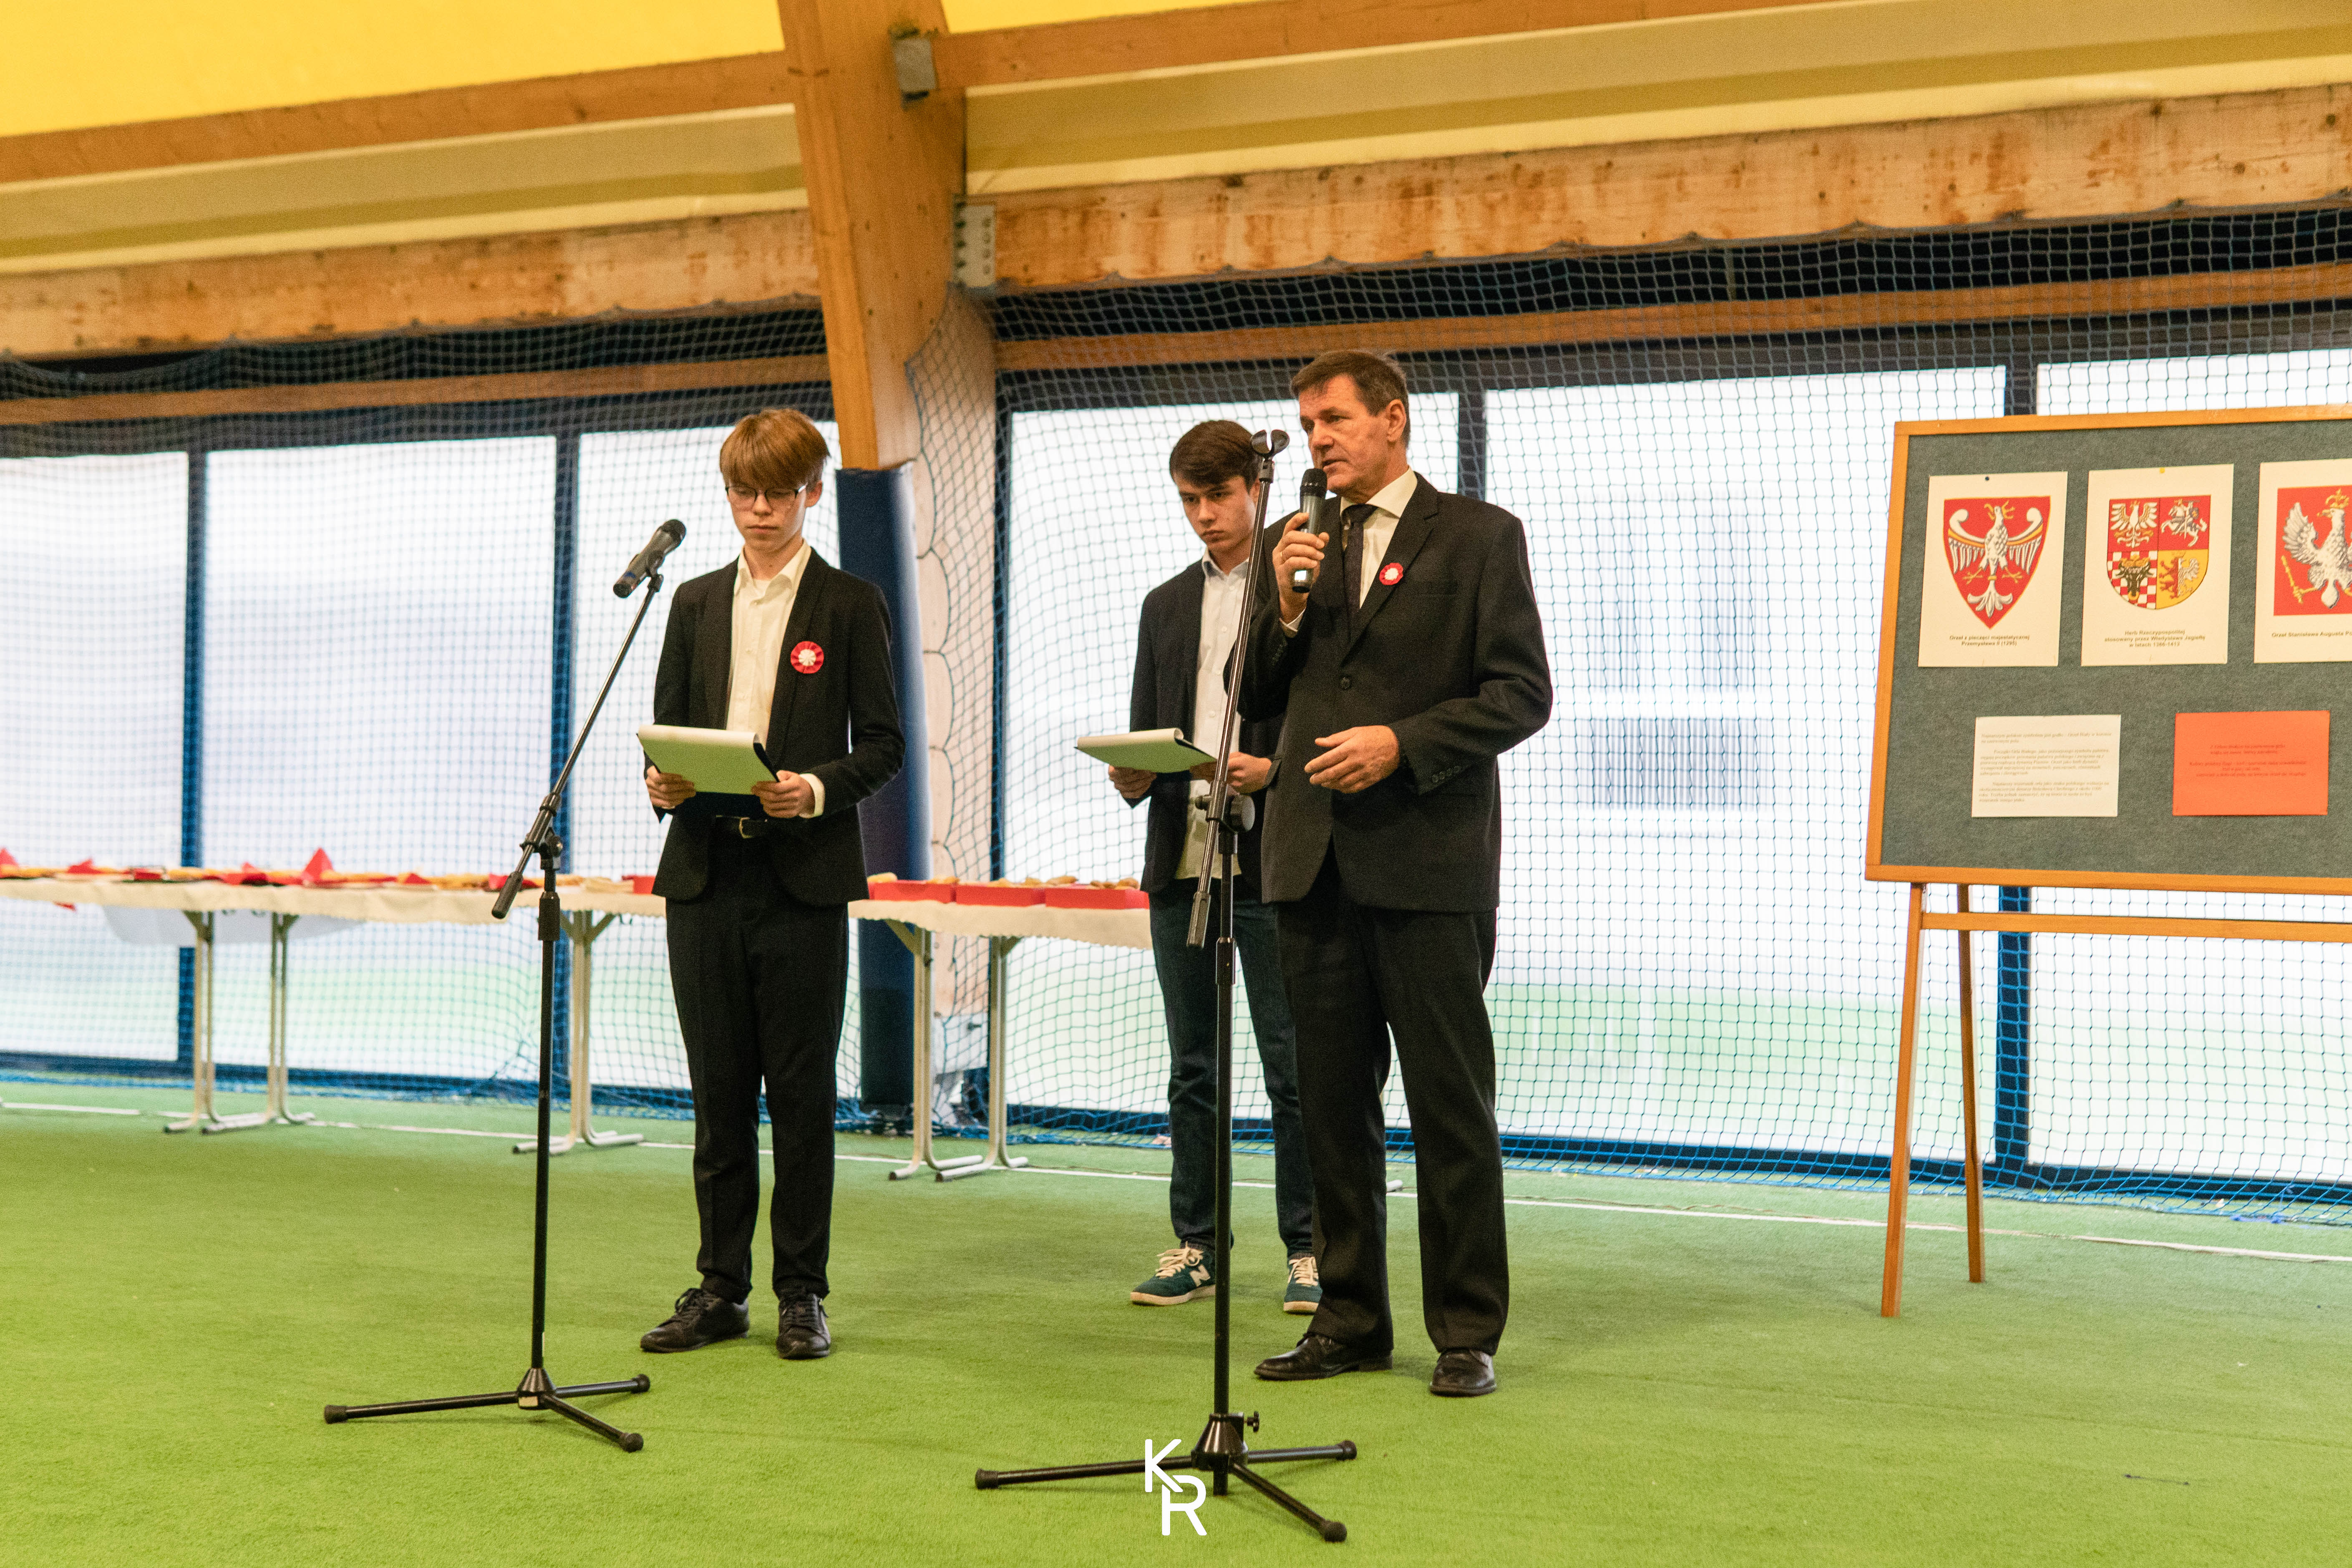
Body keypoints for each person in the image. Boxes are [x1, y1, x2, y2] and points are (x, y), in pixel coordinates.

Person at [1239, 351, 1551, 1398]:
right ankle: (1348, 1319)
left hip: (1427, 867)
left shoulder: (1477, 536)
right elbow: (1254, 693)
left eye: (1332, 418)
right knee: (1331, 1109)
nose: (1317, 438)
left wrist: (1400, 744)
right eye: (1306, 424)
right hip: (1310, 863)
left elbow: (1520, 693)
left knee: (1449, 1107)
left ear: (1392, 418)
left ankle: (1465, 1330)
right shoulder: (1295, 543)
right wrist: (1285, 605)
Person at [637, 408, 904, 1363]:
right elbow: (664, 733)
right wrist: (660, 784)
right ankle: (719, 1287)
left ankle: (801, 1293)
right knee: (718, 1098)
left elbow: (884, 744)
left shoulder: (850, 602)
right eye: (744, 492)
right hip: (704, 874)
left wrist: (815, 789)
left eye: (778, 493)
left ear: (811, 493)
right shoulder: (692, 601)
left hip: (802, 882)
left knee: (798, 1097)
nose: (759, 509)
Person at [1108, 420, 1319, 1316]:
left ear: (1255, 489)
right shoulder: (1164, 603)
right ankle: (1196, 1245)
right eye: (1189, 500)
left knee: (1292, 1068)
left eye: (1219, 496)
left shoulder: (1303, 581)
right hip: (1182, 858)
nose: (1203, 514)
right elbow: (1148, 729)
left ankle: (1311, 1250)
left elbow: (1330, 715)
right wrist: (1133, 771)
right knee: (1192, 1067)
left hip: (1277, 860)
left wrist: (1277, 770)